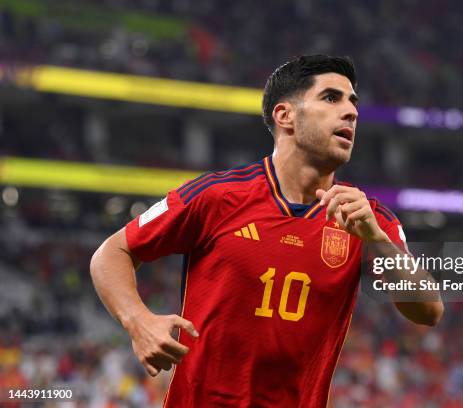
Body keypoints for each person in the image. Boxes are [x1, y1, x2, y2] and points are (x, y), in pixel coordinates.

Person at [90, 55, 443, 407]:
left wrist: (377, 241)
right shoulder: (219, 196)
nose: (351, 112)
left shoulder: (369, 219)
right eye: (331, 98)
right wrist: (138, 321)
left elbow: (429, 310)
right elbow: (111, 253)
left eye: (353, 102)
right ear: (285, 115)